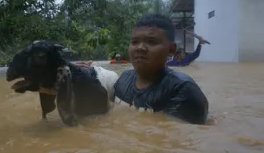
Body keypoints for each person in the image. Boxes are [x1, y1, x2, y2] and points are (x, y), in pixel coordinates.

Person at [76, 13, 209, 125]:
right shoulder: (123, 80)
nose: (139, 48)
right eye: (134, 42)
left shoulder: (183, 91)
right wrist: (80, 77)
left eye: (151, 42)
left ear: (171, 50)